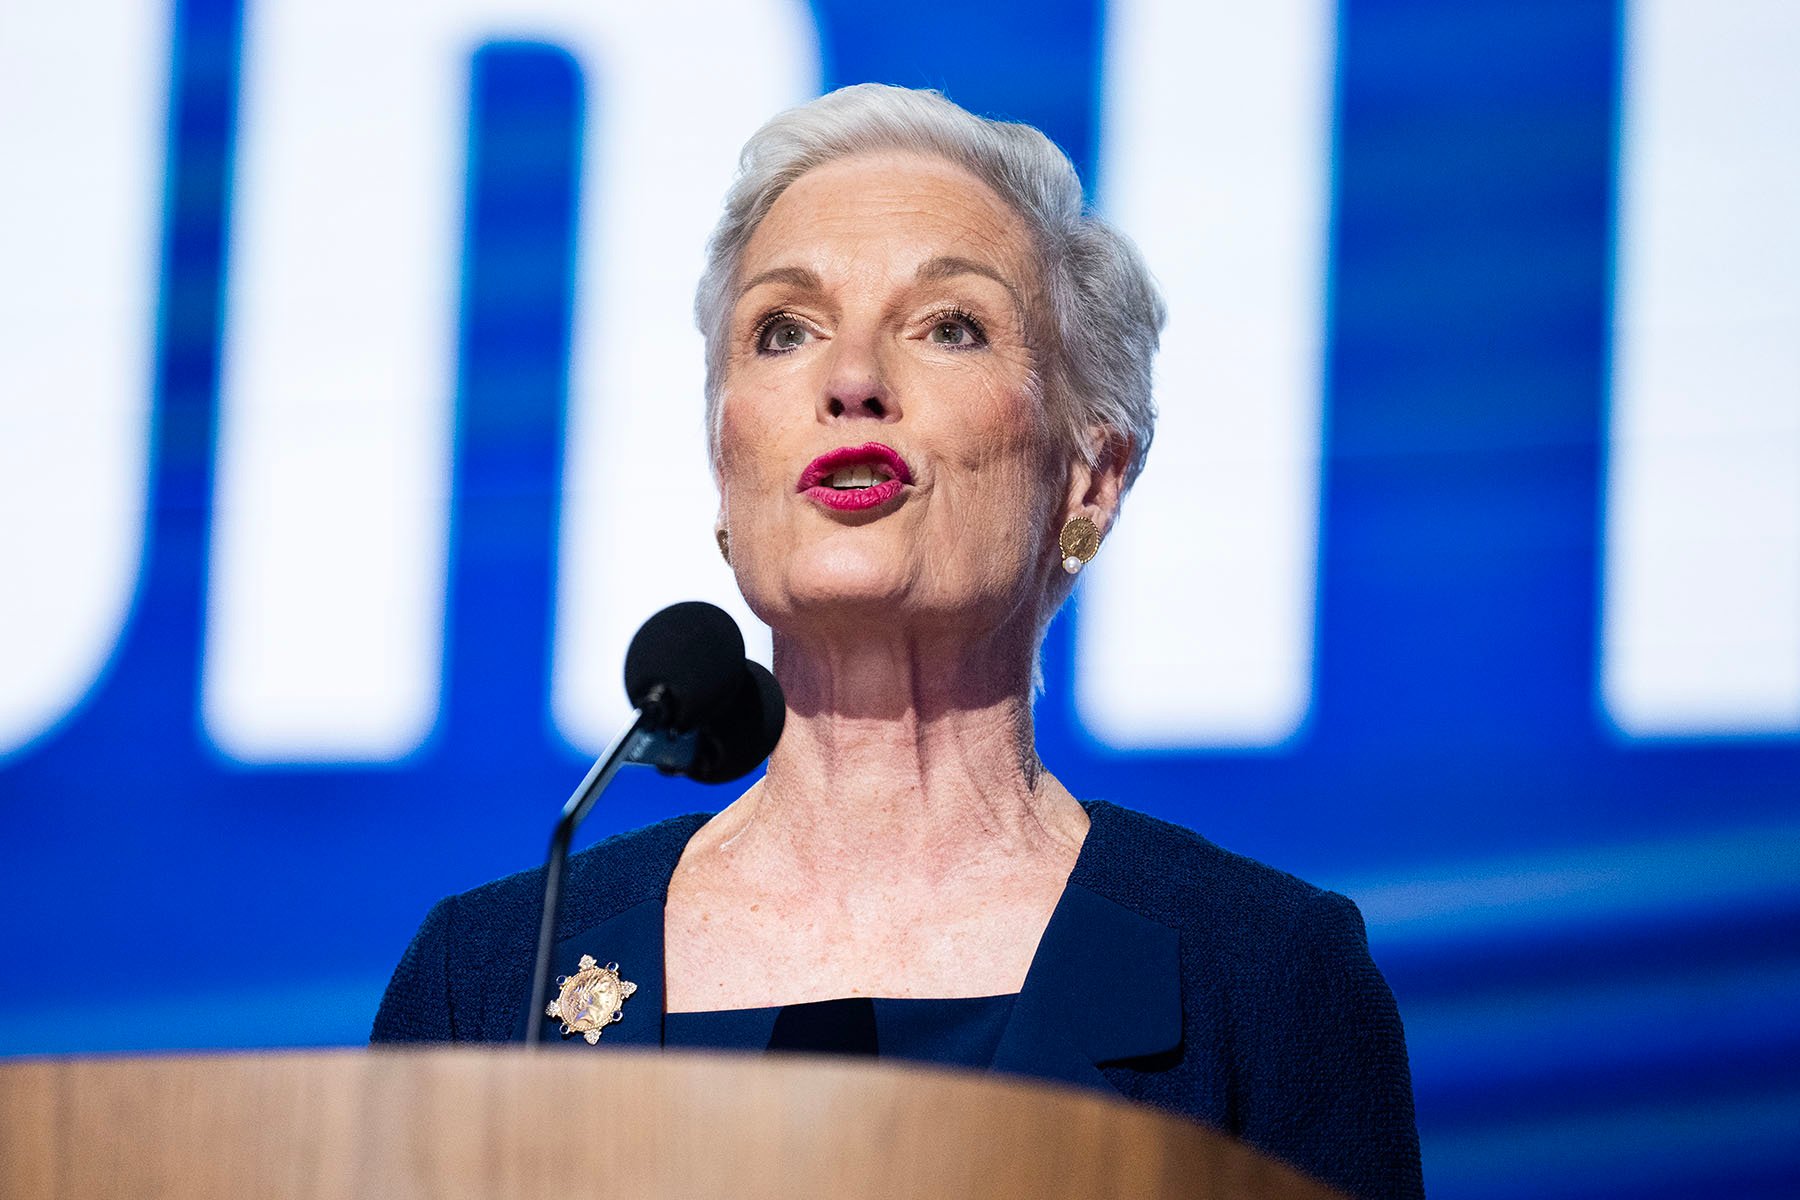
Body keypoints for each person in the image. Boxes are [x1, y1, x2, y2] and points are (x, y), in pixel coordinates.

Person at [373, 83, 1424, 1200]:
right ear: (727, 469)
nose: (853, 381)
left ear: (1091, 475)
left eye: (948, 327)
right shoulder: (489, 978)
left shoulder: (1261, 974)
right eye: (784, 330)